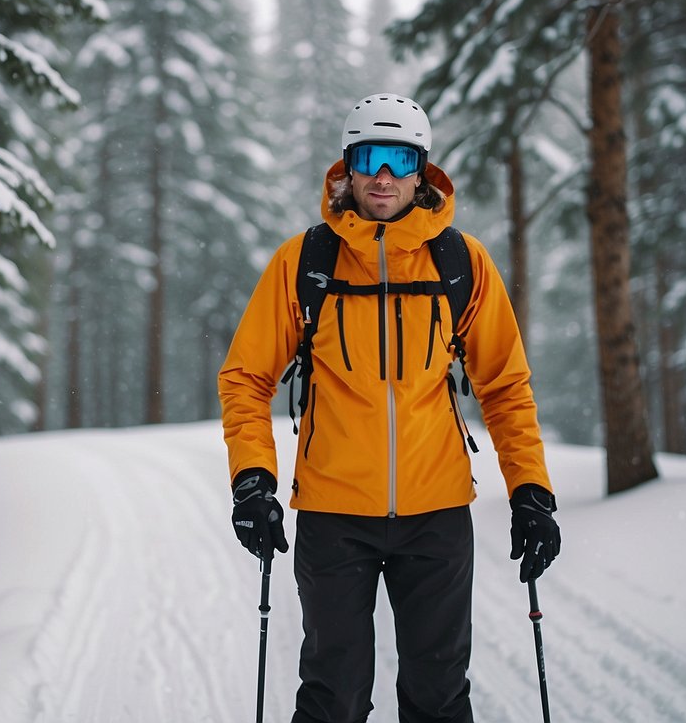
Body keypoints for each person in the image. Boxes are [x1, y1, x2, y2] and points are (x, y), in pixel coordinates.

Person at [218, 93, 561, 723]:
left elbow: (505, 387)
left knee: (438, 698)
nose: (384, 176)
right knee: (333, 697)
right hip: (333, 513)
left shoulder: (461, 263)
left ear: (421, 170)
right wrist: (252, 480)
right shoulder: (306, 263)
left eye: (400, 160)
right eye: (370, 157)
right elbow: (245, 378)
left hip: (437, 515)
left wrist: (531, 492)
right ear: (347, 166)